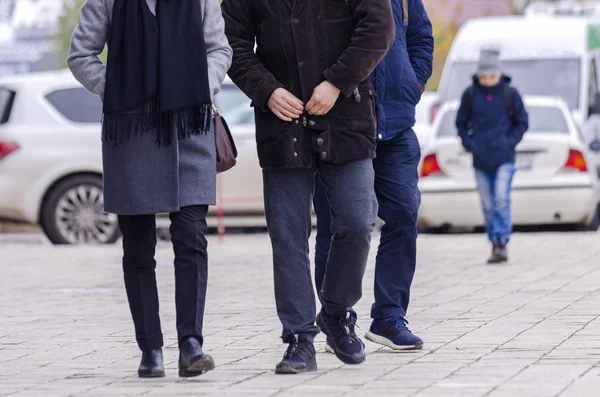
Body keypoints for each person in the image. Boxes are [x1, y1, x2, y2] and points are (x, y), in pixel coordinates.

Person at [222, 0, 394, 374]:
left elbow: (379, 28)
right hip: (282, 124)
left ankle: (335, 313)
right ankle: (300, 338)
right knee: (287, 237)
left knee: (356, 223)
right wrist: (266, 90)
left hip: (346, 118)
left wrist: (336, 82)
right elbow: (231, 43)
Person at [68, 0, 232, 378]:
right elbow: (81, 55)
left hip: (190, 126)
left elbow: (220, 49)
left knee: (191, 237)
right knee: (138, 246)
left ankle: (191, 345)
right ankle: (150, 349)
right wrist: (120, 90)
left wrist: (197, 84)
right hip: (132, 133)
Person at [313, 0, 434, 352]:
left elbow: (421, 35)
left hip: (395, 124)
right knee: (339, 225)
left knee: (404, 214)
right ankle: (337, 319)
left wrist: (414, 82)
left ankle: (389, 317)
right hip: (341, 123)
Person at [456, 49, 529, 264]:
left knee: (501, 198)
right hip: (480, 160)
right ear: (478, 75)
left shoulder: (510, 94)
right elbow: (461, 124)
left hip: (504, 158)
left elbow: (522, 122)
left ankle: (501, 241)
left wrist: (509, 142)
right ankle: (493, 239)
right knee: (487, 204)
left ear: (499, 74)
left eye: (492, 76)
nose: (488, 80)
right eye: (484, 76)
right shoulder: (470, 95)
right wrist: (470, 144)